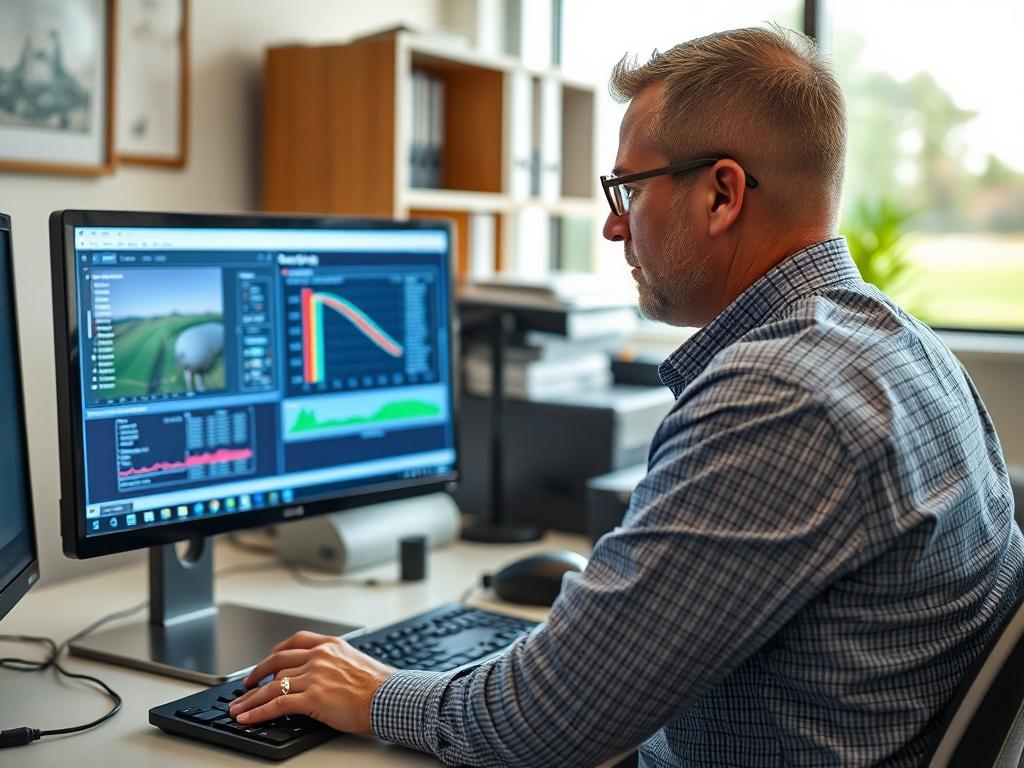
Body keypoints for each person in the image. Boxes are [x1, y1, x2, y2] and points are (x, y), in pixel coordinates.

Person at [229, 26, 1024, 766]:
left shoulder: (780, 395)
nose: (614, 229)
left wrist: (373, 693)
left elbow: (544, 720)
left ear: (722, 195)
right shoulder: (902, 343)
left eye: (628, 190)